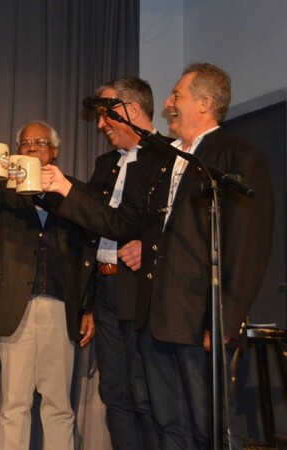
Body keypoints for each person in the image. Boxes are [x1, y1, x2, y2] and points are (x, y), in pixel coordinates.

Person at [42, 63, 274, 449]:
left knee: (208, 426)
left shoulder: (235, 156)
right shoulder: (169, 158)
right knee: (169, 424)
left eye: (176, 96)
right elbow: (127, 221)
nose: (167, 103)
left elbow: (249, 248)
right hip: (155, 318)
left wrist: (224, 323)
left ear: (204, 103)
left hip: (198, 317)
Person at [0, 120, 94, 450]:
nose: (32, 148)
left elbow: (86, 252)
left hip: (60, 306)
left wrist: (87, 307)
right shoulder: (3, 188)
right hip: (13, 307)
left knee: (58, 406)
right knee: (14, 405)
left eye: (40, 142)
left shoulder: (71, 189)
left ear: (55, 151)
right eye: (25, 143)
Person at [83, 76, 161, 450]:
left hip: (141, 290)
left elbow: (178, 223)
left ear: (130, 110)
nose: (101, 125)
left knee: (143, 392)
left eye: (106, 116)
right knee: (115, 393)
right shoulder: (104, 164)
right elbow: (88, 222)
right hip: (105, 289)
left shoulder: (167, 156)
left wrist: (149, 246)